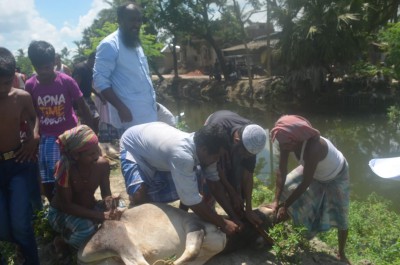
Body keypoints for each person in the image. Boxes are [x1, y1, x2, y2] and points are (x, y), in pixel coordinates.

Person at [120, 122, 242, 235]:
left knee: (195, 175)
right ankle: (135, 198)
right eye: (217, 156)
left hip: (158, 154)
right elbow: (191, 199)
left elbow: (214, 185)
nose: (217, 160)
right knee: (141, 200)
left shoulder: (205, 149)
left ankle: (181, 212)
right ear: (204, 150)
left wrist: (233, 216)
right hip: (134, 146)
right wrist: (223, 223)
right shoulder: (183, 155)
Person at [270, 115, 350, 263]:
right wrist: (276, 201)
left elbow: (306, 181)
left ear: (296, 139)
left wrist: (286, 204)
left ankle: (341, 253)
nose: (283, 148)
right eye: (281, 144)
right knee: (287, 185)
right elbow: (281, 169)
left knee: (342, 216)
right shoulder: (286, 140)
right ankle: (279, 223)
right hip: (313, 170)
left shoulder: (314, 147)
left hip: (336, 174)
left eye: (286, 145)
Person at [25, 40, 94, 203]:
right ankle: (57, 207)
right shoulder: (30, 85)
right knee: (50, 177)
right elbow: (31, 114)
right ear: (33, 65)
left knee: (76, 174)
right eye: (38, 68)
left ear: (54, 62)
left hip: (70, 136)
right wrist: (33, 135)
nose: (43, 71)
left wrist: (91, 133)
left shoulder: (66, 81)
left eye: (47, 67)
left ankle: (80, 203)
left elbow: (82, 105)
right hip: (48, 138)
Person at [48, 125, 122, 256]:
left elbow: (106, 193)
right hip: (61, 214)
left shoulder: (102, 165)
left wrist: (111, 203)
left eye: (97, 150)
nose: (97, 156)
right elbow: (67, 206)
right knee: (87, 228)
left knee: (121, 209)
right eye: (91, 154)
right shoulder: (64, 169)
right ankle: (62, 242)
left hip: (89, 207)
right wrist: (100, 216)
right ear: (76, 155)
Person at [0, 47, 40, 264]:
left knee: (22, 224)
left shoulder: (21, 97)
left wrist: (34, 137)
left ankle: (32, 259)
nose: (1, 88)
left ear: (13, 77)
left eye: (6, 83)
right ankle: (15, 253)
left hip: (18, 163)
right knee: (2, 226)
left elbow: (35, 119)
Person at [93, 2, 157, 133]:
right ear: (120, 20)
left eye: (139, 20)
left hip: (148, 114)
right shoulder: (110, 45)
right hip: (129, 119)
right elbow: (100, 80)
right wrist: (121, 107)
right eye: (132, 20)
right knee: (130, 153)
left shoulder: (135, 43)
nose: (137, 24)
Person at [203, 110, 267, 227]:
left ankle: (238, 210)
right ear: (237, 141)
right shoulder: (218, 132)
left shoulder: (252, 138)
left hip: (236, 141)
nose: (246, 157)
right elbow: (216, 168)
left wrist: (249, 208)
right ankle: (210, 212)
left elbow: (248, 175)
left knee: (237, 180)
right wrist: (231, 192)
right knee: (211, 180)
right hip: (215, 128)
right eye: (245, 154)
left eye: (249, 156)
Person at [72, 52, 100, 133]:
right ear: (92, 59)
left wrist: (99, 95)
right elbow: (75, 86)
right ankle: (89, 140)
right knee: (87, 121)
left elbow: (88, 86)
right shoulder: (80, 68)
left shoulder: (90, 70)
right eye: (96, 61)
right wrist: (79, 104)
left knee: (95, 118)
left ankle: (94, 138)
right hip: (80, 99)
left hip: (88, 98)